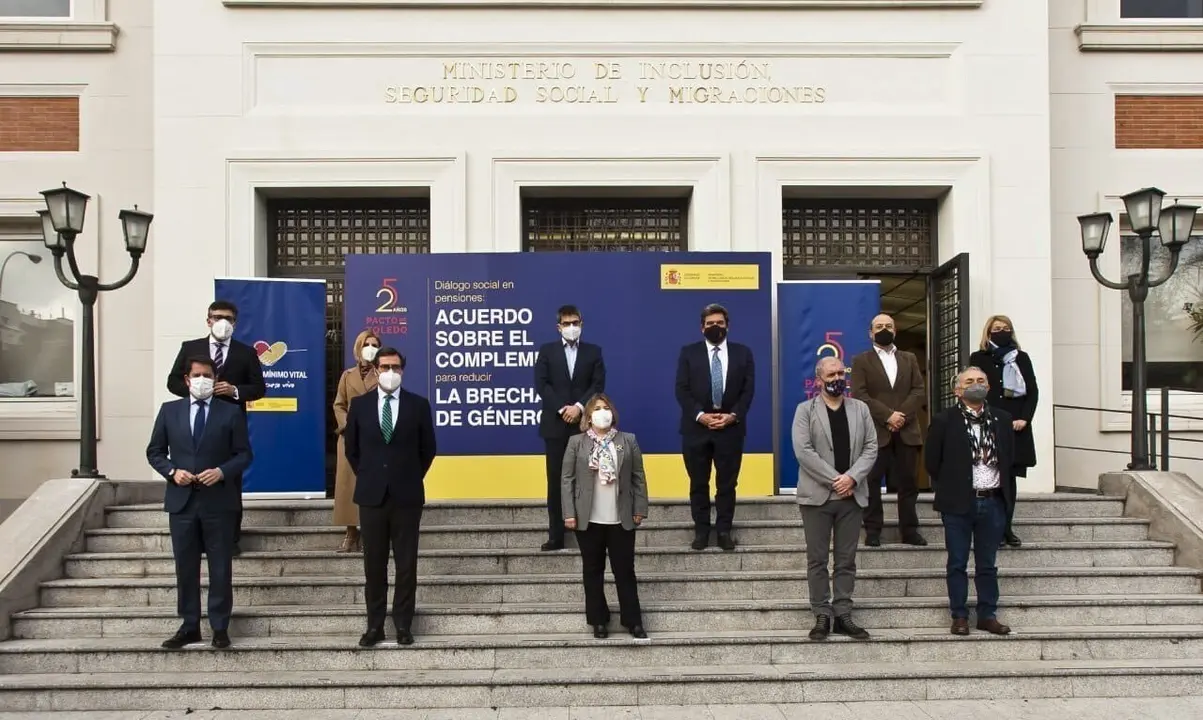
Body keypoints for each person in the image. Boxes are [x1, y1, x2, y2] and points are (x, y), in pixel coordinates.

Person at [146, 356, 252, 650]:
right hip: (182, 503)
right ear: (187, 380)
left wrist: (221, 472)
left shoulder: (230, 413)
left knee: (220, 568)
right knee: (186, 568)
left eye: (208, 375)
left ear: (215, 379)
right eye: (197, 375)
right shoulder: (170, 412)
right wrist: (171, 472)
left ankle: (219, 626)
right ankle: (189, 625)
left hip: (219, 502)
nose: (202, 379)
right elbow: (155, 451)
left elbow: (244, 455)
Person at [343, 347, 436, 647]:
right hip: (371, 496)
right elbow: (352, 450)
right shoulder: (359, 405)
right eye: (385, 367)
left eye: (395, 367)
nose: (390, 372)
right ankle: (374, 626)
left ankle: (403, 625)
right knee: (374, 564)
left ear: (403, 370)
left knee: (406, 564)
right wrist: (373, 476)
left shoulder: (418, 406)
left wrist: (407, 476)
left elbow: (428, 450)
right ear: (376, 369)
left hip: (407, 496)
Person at [166, 300, 266, 557]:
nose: (222, 322)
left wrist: (234, 391)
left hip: (229, 422)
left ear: (235, 323)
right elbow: (173, 381)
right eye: (217, 317)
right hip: (196, 419)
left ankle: (231, 538)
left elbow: (258, 388)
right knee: (194, 472)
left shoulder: (246, 352)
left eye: (228, 318)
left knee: (229, 479)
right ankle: (194, 536)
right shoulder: (191, 348)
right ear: (208, 319)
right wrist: (198, 390)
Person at [791, 357, 877, 641]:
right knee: (817, 560)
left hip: (852, 497)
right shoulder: (805, 410)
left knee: (846, 559)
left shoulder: (860, 409)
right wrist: (836, 480)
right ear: (819, 380)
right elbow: (804, 452)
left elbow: (870, 448)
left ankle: (842, 613)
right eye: (832, 373)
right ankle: (821, 614)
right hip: (817, 498)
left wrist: (852, 478)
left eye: (841, 372)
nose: (838, 377)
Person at [926, 366, 1016, 637]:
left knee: (987, 563)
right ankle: (960, 615)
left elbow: (1010, 459)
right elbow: (932, 462)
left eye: (980, 380)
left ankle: (987, 615)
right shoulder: (944, 420)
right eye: (969, 381)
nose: (975, 384)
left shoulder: (1002, 418)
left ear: (988, 387)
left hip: (993, 501)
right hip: (958, 502)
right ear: (958, 390)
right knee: (957, 562)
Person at [561, 393, 648, 640]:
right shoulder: (576, 443)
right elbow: (567, 479)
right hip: (588, 518)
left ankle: (633, 621)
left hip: (620, 517)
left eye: (606, 407)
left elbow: (638, 476)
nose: (603, 412)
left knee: (625, 571)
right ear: (588, 416)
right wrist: (569, 513)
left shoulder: (627, 440)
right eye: (597, 408)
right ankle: (598, 620)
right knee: (592, 569)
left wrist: (639, 508)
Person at [675, 303, 756, 552]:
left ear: (728, 326)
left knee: (727, 484)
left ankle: (723, 531)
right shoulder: (688, 353)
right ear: (702, 328)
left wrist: (733, 415)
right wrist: (700, 415)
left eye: (720, 323)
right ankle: (701, 531)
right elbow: (682, 389)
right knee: (698, 483)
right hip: (696, 429)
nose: (715, 327)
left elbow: (748, 390)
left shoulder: (743, 353)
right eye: (710, 324)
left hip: (730, 429)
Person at [850, 313, 927, 547]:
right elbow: (860, 394)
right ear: (870, 333)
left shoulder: (909, 358)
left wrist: (900, 416)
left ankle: (910, 531)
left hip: (907, 429)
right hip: (875, 430)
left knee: (908, 482)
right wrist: (888, 416)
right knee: (872, 481)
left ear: (895, 331)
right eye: (879, 326)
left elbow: (918, 390)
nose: (884, 329)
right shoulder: (861, 360)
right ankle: (873, 530)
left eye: (888, 326)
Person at [534, 305, 605, 551]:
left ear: (582, 324)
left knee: (586, 478)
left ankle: (587, 531)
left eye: (575, 322)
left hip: (584, 424)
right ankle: (556, 535)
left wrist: (578, 407)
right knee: (556, 480)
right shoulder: (547, 351)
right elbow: (542, 386)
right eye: (566, 323)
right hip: (555, 425)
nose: (571, 327)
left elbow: (597, 385)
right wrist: (562, 409)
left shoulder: (593, 352)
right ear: (559, 327)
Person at [968, 315, 1039, 548]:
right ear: (988, 333)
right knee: (990, 478)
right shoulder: (978, 358)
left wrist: (1024, 419)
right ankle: (992, 528)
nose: (1002, 331)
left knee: (1009, 480)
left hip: (1016, 428)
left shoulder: (1021, 358)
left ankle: (1007, 528)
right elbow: (976, 391)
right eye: (997, 328)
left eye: (1006, 328)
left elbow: (1032, 391)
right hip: (988, 427)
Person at [331, 329, 382, 553]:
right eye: (367, 344)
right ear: (358, 348)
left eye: (375, 345)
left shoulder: (384, 374)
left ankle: (372, 534)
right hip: (349, 437)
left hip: (374, 437)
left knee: (373, 484)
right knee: (347, 486)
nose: (371, 348)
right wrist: (347, 425)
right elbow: (339, 404)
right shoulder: (347, 375)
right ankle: (350, 533)